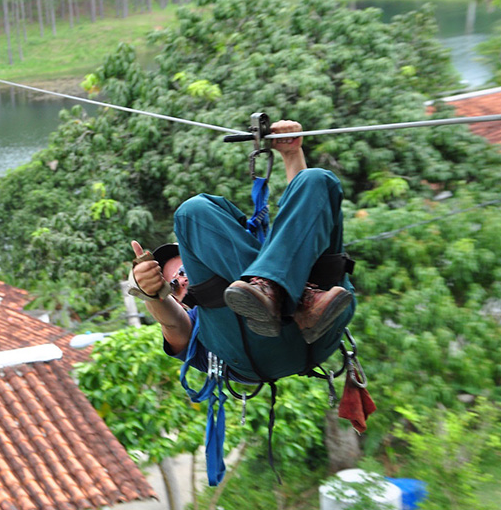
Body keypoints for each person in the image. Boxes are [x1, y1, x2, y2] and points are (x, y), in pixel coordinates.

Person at [128, 120, 355, 383]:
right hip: (256, 350)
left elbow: (305, 223)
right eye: (174, 286)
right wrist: (152, 294)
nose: (182, 280)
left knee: (316, 179)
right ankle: (291, 294)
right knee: (191, 212)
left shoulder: (254, 260)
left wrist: (292, 154)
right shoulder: (192, 324)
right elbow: (172, 323)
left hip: (323, 322)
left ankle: (285, 292)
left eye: (182, 270)